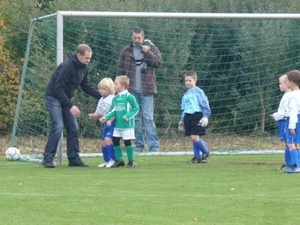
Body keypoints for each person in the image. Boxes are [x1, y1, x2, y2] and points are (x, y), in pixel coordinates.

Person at [43, 44, 101, 168]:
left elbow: (86, 87)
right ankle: (48, 158)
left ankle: (74, 159)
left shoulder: (84, 69)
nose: (88, 61)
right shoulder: (66, 67)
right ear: (79, 55)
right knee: (58, 125)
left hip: (65, 100)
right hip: (53, 97)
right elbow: (58, 89)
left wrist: (104, 97)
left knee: (73, 127)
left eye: (90, 58)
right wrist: (71, 106)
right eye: (86, 58)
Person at [116, 27, 162, 152]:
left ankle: (154, 146)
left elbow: (158, 63)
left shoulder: (151, 48)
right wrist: (119, 89)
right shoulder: (126, 51)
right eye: (135, 38)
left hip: (147, 90)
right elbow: (120, 71)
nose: (137, 40)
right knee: (135, 120)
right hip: (131, 92)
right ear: (132, 37)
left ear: (143, 36)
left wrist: (147, 52)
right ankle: (139, 146)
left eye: (139, 38)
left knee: (148, 118)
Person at [99, 76, 139, 168]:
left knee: (127, 142)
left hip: (127, 125)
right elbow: (113, 111)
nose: (114, 86)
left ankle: (131, 161)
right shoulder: (116, 98)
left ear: (123, 86)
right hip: (118, 125)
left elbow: (136, 108)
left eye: (116, 84)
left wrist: (127, 116)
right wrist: (105, 117)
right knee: (115, 141)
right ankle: (120, 160)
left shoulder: (129, 97)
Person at [178, 70, 211, 163]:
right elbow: (184, 108)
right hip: (188, 116)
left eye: (190, 80)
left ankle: (206, 152)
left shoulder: (199, 91)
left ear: (195, 80)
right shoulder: (185, 95)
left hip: (197, 115)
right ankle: (197, 157)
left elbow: (205, 104)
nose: (187, 82)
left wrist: (205, 116)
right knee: (193, 137)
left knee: (194, 137)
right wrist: (182, 120)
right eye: (186, 81)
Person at [89, 78, 116, 168]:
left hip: (113, 124)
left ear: (110, 89)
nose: (101, 91)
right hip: (106, 124)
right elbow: (99, 112)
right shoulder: (101, 99)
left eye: (104, 89)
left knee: (108, 140)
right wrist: (93, 115)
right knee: (103, 142)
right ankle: (106, 160)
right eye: (100, 88)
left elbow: (116, 112)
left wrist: (110, 119)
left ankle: (113, 160)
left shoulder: (113, 99)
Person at [270, 74, 291, 170]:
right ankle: (289, 163)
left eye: (281, 83)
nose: (279, 85)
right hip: (284, 121)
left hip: (286, 121)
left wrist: (276, 115)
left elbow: (287, 112)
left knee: (289, 142)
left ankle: (291, 164)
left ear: (288, 84)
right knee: (288, 142)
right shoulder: (286, 95)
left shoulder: (288, 96)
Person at [284, 70, 300, 173]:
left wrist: (292, 125)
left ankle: (296, 166)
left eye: (287, 81)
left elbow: (293, 111)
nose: (286, 83)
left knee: (291, 142)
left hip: (295, 120)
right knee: (297, 142)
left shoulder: (292, 96)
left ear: (292, 82)